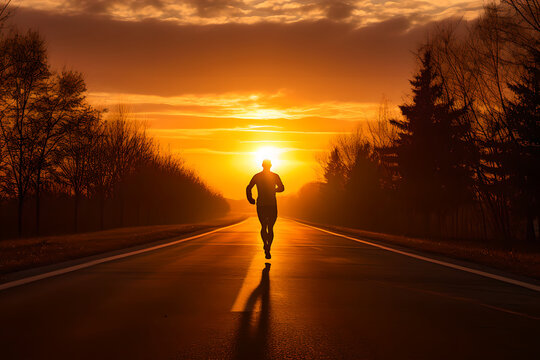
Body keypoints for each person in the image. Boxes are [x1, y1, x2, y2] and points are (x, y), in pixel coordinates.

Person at [246, 159, 284, 259]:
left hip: (262, 204)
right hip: (270, 204)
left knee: (264, 226)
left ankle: (267, 247)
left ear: (262, 165)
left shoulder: (257, 176)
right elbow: (282, 188)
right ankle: (268, 247)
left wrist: (250, 198)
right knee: (269, 227)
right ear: (270, 166)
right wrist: (274, 190)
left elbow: (248, 187)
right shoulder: (275, 176)